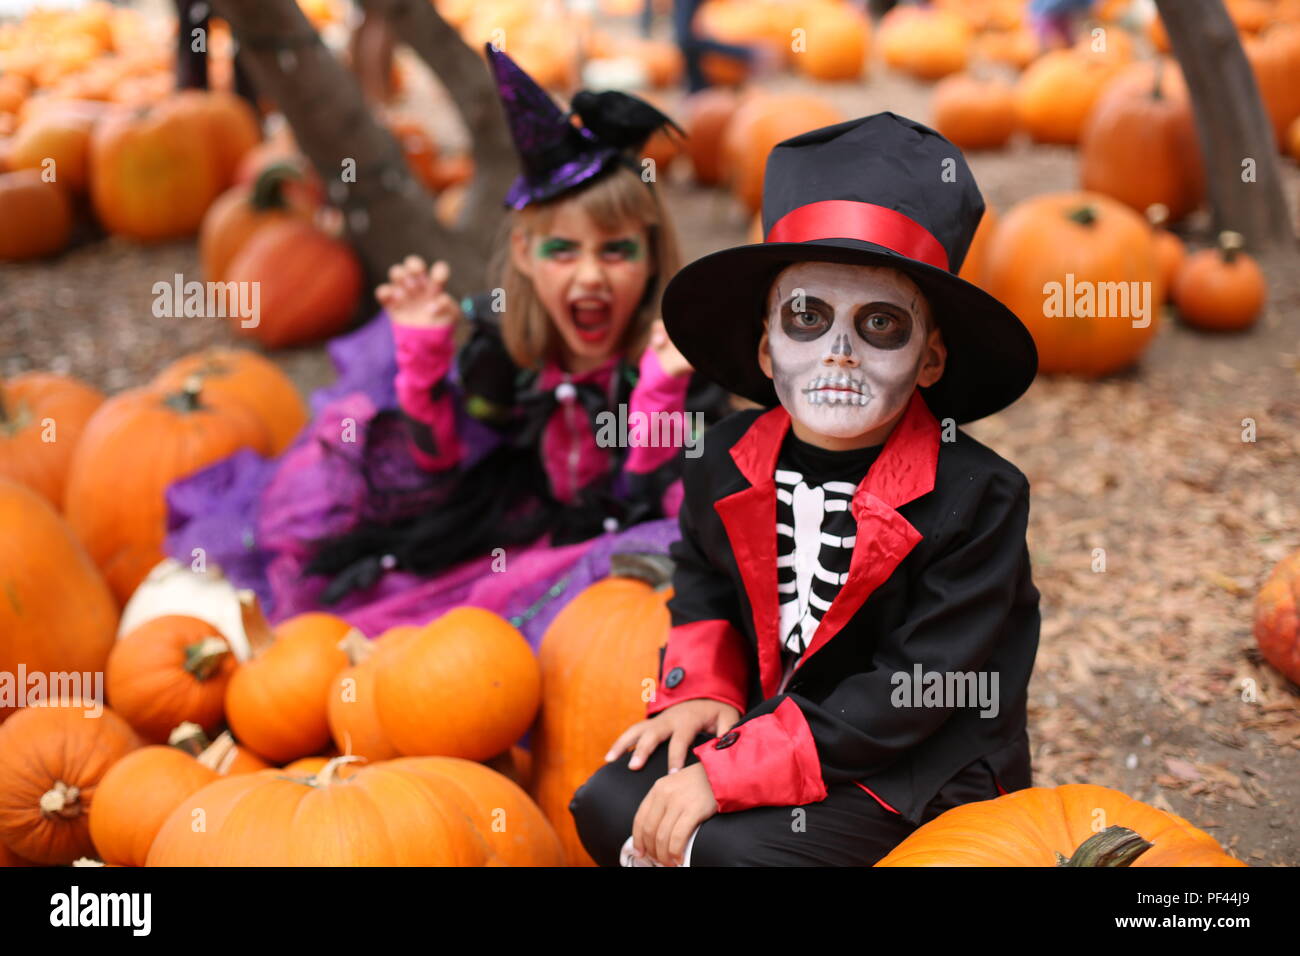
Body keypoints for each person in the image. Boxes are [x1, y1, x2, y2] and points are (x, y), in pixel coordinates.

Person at [569, 112, 1042, 866]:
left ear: (930, 358)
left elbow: (922, 687)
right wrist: (699, 689)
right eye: (807, 317)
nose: (840, 355)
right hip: (767, 725)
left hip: (912, 768)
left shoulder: (978, 497)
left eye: (881, 324)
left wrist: (727, 775)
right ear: (767, 345)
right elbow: (703, 581)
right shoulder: (725, 454)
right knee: (607, 805)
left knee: (728, 851)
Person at [164, 45, 730, 647]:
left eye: (615, 251)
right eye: (562, 250)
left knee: (638, 577)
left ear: (650, 259)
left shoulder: (679, 362)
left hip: (612, 541)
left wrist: (658, 395)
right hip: (518, 522)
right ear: (523, 256)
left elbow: (648, 507)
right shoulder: (507, 352)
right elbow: (439, 463)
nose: (590, 275)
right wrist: (422, 362)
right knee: (385, 524)